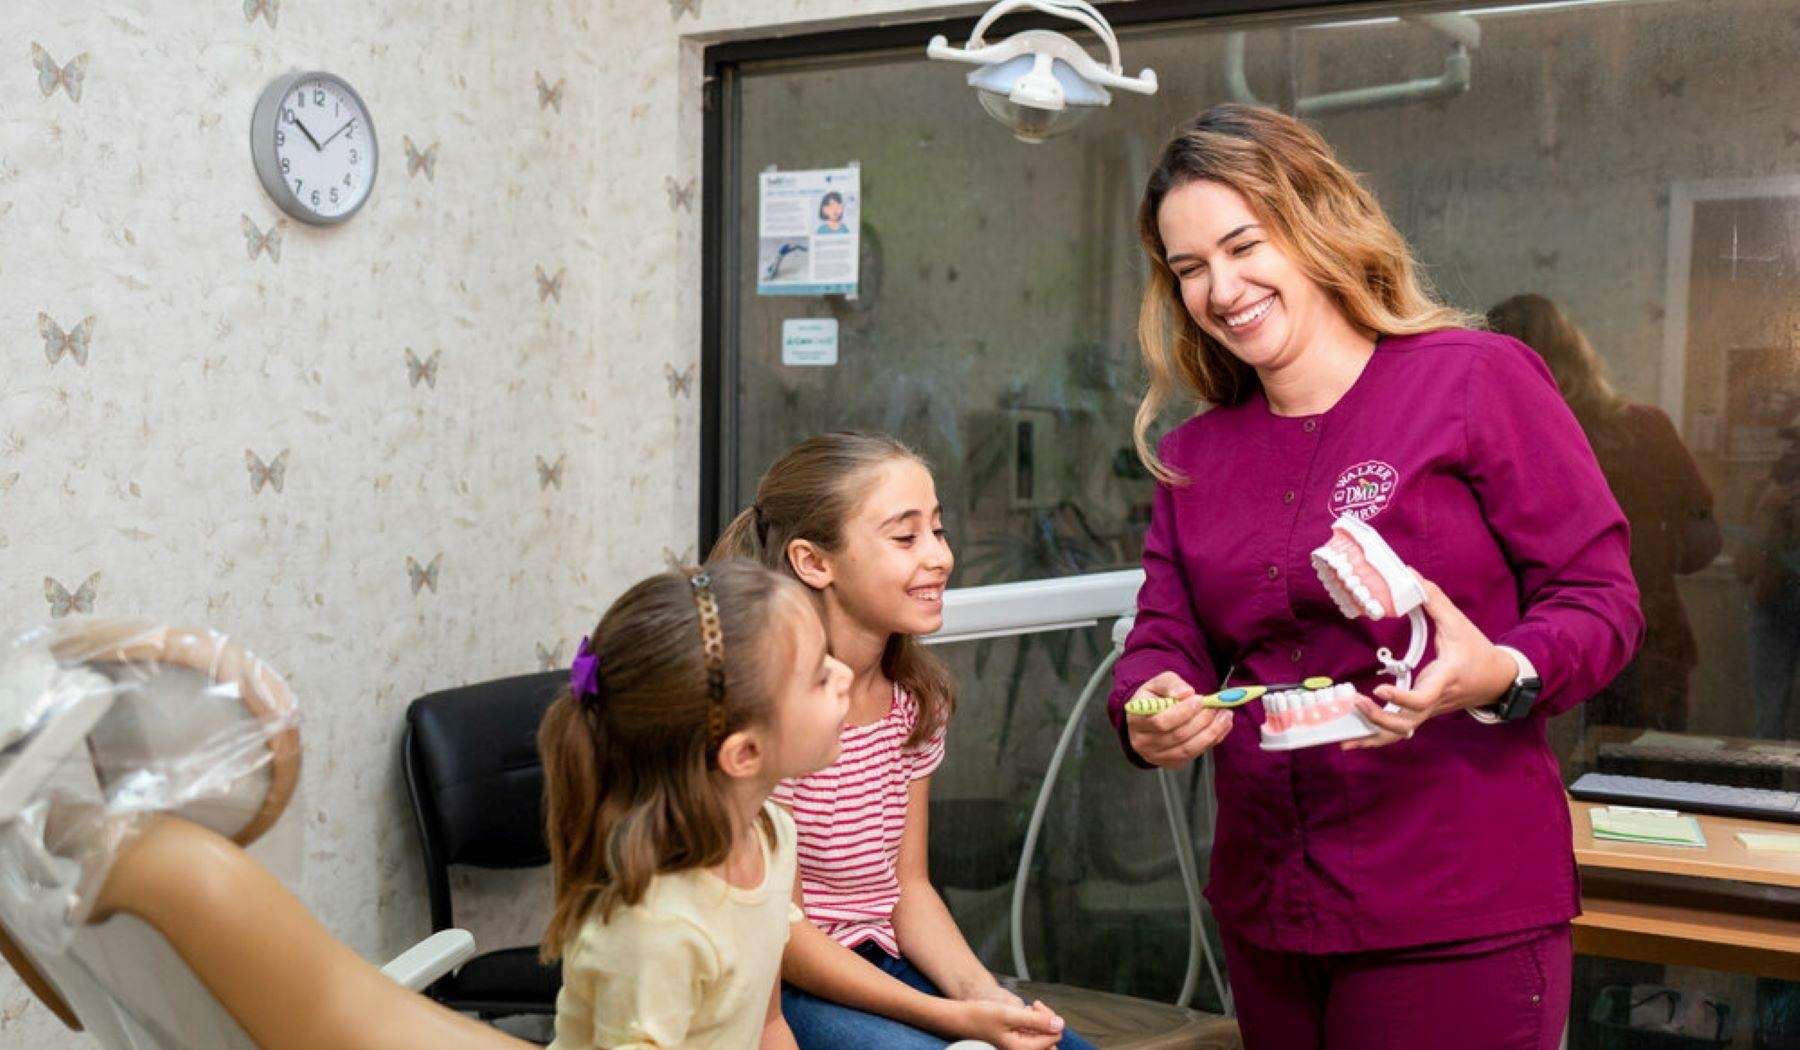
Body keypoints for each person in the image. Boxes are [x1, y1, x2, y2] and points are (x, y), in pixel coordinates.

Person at [1112, 104, 1642, 1050]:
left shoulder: (1475, 381)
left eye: (1244, 245)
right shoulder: (1196, 455)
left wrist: (1500, 670)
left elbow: (1601, 601)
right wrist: (1148, 700)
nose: (1221, 289)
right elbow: (1167, 630)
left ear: (1315, 222)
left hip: (1454, 908)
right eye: (1189, 268)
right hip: (1270, 909)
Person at [712, 432, 1085, 1050]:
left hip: (883, 962)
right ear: (814, 562)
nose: (939, 556)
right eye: (906, 537)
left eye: (938, 531)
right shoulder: (779, 721)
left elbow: (907, 887)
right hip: (786, 985)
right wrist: (944, 1018)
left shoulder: (914, 703)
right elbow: (783, 932)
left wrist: (982, 995)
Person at [537, 560, 851, 1049]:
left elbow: (768, 1027)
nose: (845, 675)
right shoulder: (655, 927)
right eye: (819, 677)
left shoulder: (771, 835)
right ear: (745, 753)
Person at [1488, 293, 1720, 732]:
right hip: (1643, 643)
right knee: (1644, 790)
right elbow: (1703, 544)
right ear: (1578, 352)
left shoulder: (1503, 443)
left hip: (1522, 657)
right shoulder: (1644, 428)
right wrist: (1647, 560)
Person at [1736, 421, 1800, 740]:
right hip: (1771, 608)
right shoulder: (1764, 491)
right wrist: (1766, 512)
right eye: (1792, 447)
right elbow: (1743, 569)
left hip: (1771, 609)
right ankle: (1765, 785)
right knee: (1770, 716)